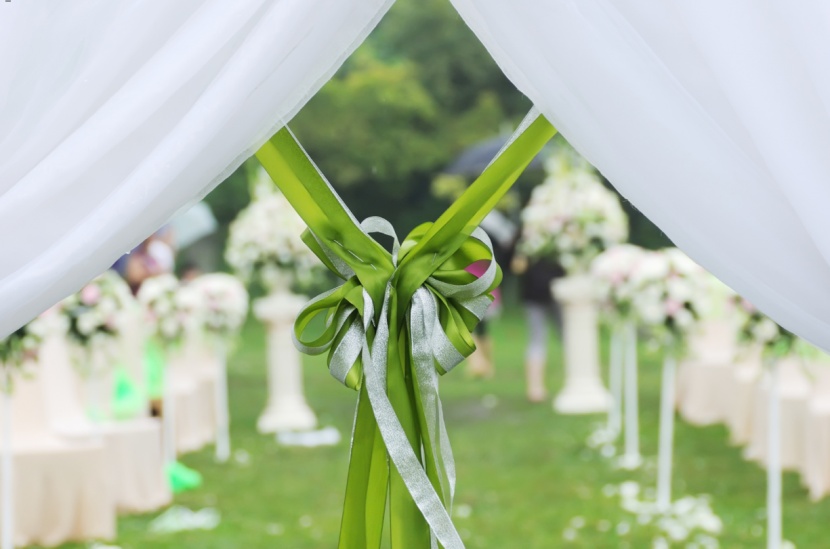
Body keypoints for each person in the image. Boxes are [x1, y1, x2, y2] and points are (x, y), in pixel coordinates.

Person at [511, 252, 565, 402]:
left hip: (562, 293)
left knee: (568, 338)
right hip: (534, 294)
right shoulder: (525, 238)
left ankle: (576, 381)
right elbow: (516, 266)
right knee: (537, 339)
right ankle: (535, 388)